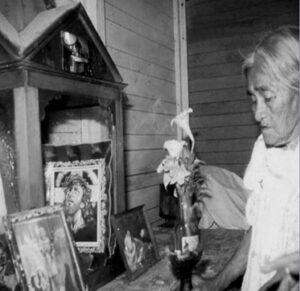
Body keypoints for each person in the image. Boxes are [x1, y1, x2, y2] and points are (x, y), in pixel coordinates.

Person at [192, 26, 299, 291]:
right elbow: (258, 232)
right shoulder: (264, 148)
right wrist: (216, 284)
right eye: (253, 99)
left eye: (268, 97)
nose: (257, 113)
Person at [63, 174, 97, 242]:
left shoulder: (90, 232)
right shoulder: (62, 229)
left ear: (82, 204)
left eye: (76, 191)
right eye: (69, 190)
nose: (70, 194)